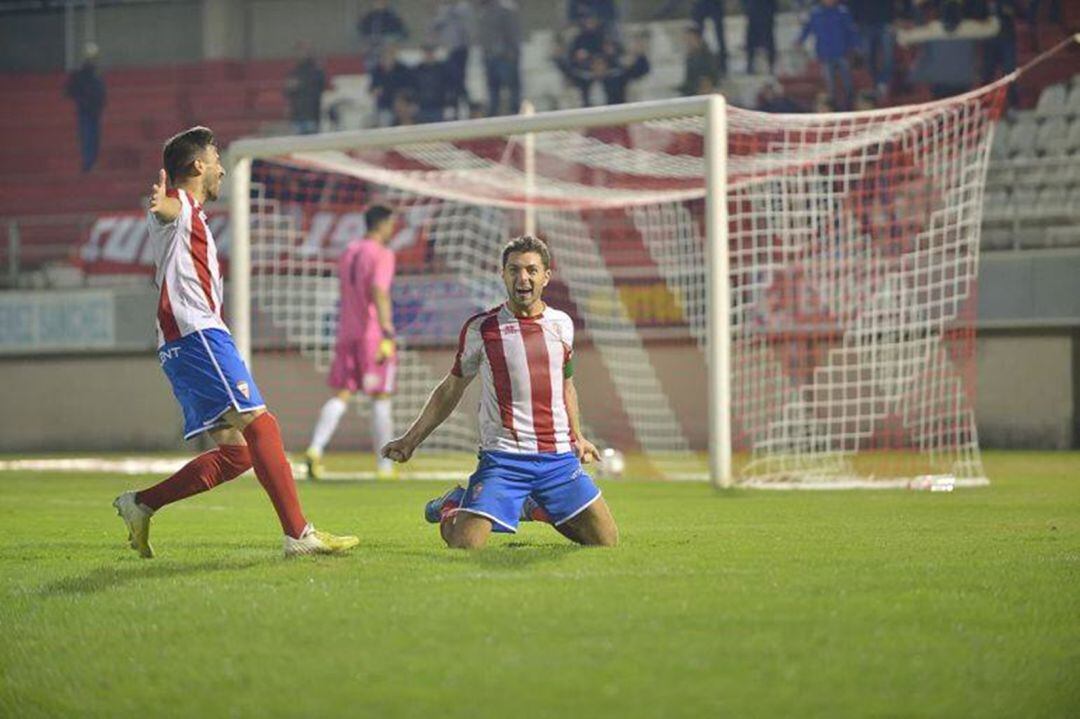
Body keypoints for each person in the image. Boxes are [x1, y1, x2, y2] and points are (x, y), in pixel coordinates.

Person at [113, 127, 358, 558]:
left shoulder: (194, 214)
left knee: (238, 455)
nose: (224, 168)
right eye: (216, 158)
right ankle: (299, 535)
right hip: (197, 333)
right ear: (197, 166)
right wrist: (163, 205)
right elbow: (168, 210)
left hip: (185, 340)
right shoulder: (182, 206)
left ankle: (141, 503)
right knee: (263, 426)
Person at [382, 235, 619, 550]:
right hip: (504, 460)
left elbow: (565, 385)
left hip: (558, 460)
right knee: (464, 546)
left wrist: (578, 436)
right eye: (515, 270)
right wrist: (410, 440)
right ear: (503, 275)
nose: (523, 278)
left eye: (532, 270)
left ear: (546, 276)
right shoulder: (482, 329)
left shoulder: (562, 324)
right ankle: (453, 503)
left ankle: (530, 505)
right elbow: (450, 388)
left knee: (605, 543)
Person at [305, 204, 399, 481]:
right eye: (391, 224)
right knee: (380, 396)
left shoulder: (349, 251)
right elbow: (379, 291)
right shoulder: (382, 253)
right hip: (372, 334)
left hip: (346, 332)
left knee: (342, 395)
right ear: (382, 225)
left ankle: (315, 448)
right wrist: (387, 330)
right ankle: (385, 465)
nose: (392, 229)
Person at [796, 0, 860, 110]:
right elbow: (807, 29)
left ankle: (850, 106)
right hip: (825, 54)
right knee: (830, 85)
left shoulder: (842, 11)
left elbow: (851, 30)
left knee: (847, 82)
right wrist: (799, 41)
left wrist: (855, 46)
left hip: (842, 52)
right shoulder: (815, 13)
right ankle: (833, 109)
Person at [476, 0, 522, 116]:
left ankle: (515, 113)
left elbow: (512, 32)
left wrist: (513, 53)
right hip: (490, 57)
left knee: (512, 88)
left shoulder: (506, 9)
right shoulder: (483, 11)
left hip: (505, 56)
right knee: (493, 90)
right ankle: (493, 115)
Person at [65, 43, 106, 173]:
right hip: (86, 111)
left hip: (93, 111)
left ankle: (91, 163)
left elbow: (101, 94)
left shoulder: (96, 75)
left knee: (93, 139)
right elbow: (70, 90)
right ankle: (88, 164)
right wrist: (82, 101)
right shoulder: (82, 75)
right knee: (89, 138)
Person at [429, 0, 473, 117]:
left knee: (459, 79)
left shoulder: (463, 7)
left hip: (461, 49)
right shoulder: (443, 9)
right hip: (448, 50)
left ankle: (468, 107)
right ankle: (455, 109)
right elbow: (435, 26)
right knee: (452, 81)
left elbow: (467, 27)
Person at [284, 45, 326, 134]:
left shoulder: (316, 71)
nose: (301, 54)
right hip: (297, 114)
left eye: (304, 52)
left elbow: (321, 87)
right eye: (299, 52)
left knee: (312, 142)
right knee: (297, 144)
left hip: (311, 113)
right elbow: (286, 92)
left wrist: (300, 84)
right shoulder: (293, 72)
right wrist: (290, 87)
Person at [370, 45, 415, 127]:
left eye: (390, 54)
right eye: (385, 55)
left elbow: (410, 86)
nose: (388, 57)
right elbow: (372, 88)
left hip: (402, 106)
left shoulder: (403, 69)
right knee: (385, 125)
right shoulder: (377, 71)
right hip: (385, 106)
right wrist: (375, 91)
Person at [357, 0, 409, 69]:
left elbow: (404, 33)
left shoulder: (393, 17)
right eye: (377, 1)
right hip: (372, 51)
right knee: (372, 68)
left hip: (387, 51)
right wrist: (365, 44)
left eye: (381, 1)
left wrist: (393, 42)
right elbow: (361, 33)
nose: (379, 3)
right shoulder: (367, 18)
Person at [678, 27, 718, 96]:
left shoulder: (706, 57)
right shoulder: (690, 57)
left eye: (690, 39)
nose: (687, 42)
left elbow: (709, 79)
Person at [692, 0, 728, 78]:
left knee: (719, 36)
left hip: (714, 3)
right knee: (698, 35)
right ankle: (700, 66)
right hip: (704, 4)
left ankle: (723, 66)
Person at [743, 0, 778, 75]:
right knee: (752, 39)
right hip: (755, 10)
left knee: (768, 38)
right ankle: (750, 64)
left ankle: (771, 64)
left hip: (765, 10)